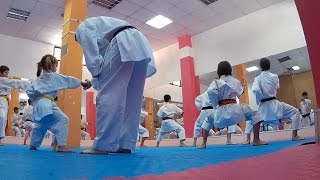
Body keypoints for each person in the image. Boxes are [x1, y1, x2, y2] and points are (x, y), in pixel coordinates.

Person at [75, 16, 156, 154]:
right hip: (140, 43)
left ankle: (103, 145)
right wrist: (93, 81)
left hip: (122, 41)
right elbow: (109, 67)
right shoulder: (103, 30)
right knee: (133, 100)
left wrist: (95, 74)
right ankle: (126, 144)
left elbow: (93, 58)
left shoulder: (82, 28)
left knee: (109, 95)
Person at [26, 54, 91, 153]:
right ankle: (61, 146)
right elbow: (68, 80)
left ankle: (33, 145)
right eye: (56, 65)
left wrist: (37, 100)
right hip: (47, 102)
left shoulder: (38, 79)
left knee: (41, 124)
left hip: (38, 103)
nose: (56, 67)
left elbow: (29, 91)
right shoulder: (54, 77)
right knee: (63, 119)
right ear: (51, 66)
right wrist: (82, 83)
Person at [200, 61, 267, 149]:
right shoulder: (235, 81)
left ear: (218, 71)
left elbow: (211, 92)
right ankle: (256, 139)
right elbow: (239, 93)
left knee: (207, 120)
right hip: (235, 111)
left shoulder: (216, 82)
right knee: (255, 113)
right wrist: (242, 89)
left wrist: (215, 105)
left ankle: (203, 143)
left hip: (220, 112)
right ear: (230, 69)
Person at [247, 58, 304, 142]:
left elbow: (255, 90)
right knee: (295, 112)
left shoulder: (258, 78)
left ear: (260, 67)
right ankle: (294, 135)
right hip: (275, 105)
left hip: (263, 106)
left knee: (252, 119)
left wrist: (260, 99)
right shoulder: (275, 76)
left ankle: (250, 139)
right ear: (269, 66)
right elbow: (277, 87)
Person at [0, 65, 29, 145]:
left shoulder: (5, 80)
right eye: (5, 72)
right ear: (0, 73)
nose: (7, 74)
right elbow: (15, 82)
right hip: (1, 99)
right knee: (1, 117)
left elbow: (13, 84)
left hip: (4, 100)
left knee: (3, 117)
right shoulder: (2, 80)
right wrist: (29, 84)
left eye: (7, 72)